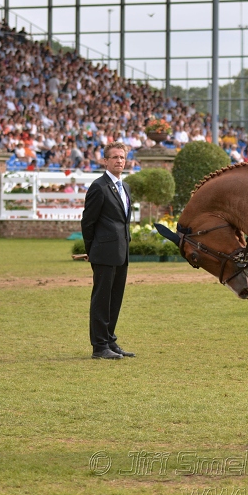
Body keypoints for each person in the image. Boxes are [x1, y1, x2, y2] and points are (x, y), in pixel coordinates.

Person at [81, 142, 135, 360]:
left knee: (115, 299)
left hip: (121, 252)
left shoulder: (126, 187)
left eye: (122, 157)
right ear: (105, 161)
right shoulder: (98, 187)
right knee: (101, 299)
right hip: (103, 253)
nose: (119, 161)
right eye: (114, 157)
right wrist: (91, 249)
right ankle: (99, 346)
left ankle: (110, 340)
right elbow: (88, 222)